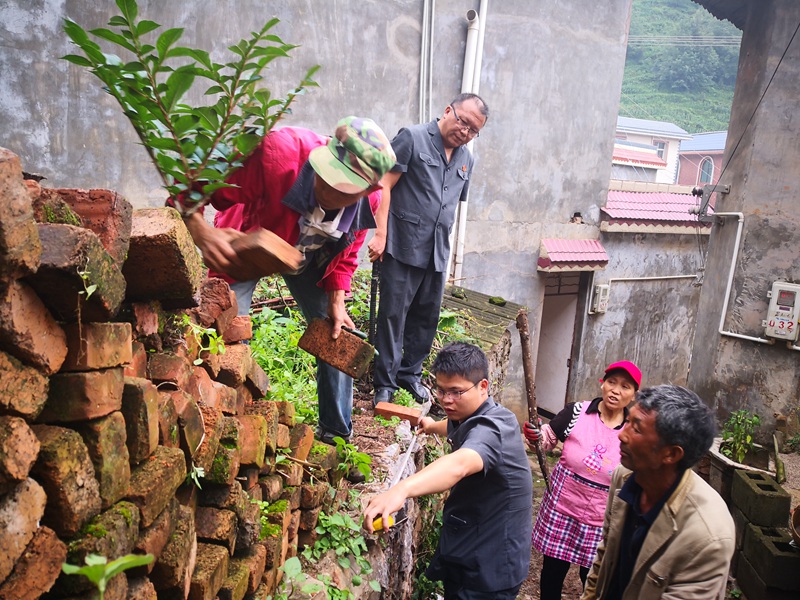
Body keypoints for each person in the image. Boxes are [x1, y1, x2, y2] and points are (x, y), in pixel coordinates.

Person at [176, 116, 396, 444]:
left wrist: (337, 300)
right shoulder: (279, 154)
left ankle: (336, 434)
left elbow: (347, 252)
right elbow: (194, 185)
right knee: (228, 333)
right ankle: (222, 426)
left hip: (308, 258)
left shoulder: (371, 202)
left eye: (343, 186)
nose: (328, 186)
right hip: (251, 242)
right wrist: (200, 229)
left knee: (338, 334)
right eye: (327, 172)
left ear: (369, 190)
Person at [363, 342, 532, 599]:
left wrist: (401, 489)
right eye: (441, 391)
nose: (447, 400)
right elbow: (457, 426)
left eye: (456, 392)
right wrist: (432, 426)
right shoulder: (472, 416)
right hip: (472, 547)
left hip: (490, 569)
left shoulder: (495, 429)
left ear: (483, 386)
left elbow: (460, 463)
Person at [367, 93, 489, 405]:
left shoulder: (466, 160)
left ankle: (410, 375)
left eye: (473, 130)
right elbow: (384, 185)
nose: (465, 132)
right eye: (463, 122)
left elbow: (450, 206)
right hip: (402, 244)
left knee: (426, 317)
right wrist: (380, 235)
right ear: (449, 110)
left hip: (436, 250)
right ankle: (386, 383)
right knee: (393, 315)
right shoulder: (413, 138)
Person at [581, 385, 735, 600]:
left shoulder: (708, 537)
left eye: (636, 428)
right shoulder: (624, 477)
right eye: (627, 422)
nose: (621, 436)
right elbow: (606, 553)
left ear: (671, 454)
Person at [523, 360, 641, 599]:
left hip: (602, 517)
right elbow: (548, 438)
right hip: (563, 508)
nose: (616, 390)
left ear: (634, 395)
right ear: (602, 384)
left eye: (625, 386)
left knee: (593, 578)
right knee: (553, 572)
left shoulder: (633, 428)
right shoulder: (577, 411)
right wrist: (536, 435)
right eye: (611, 382)